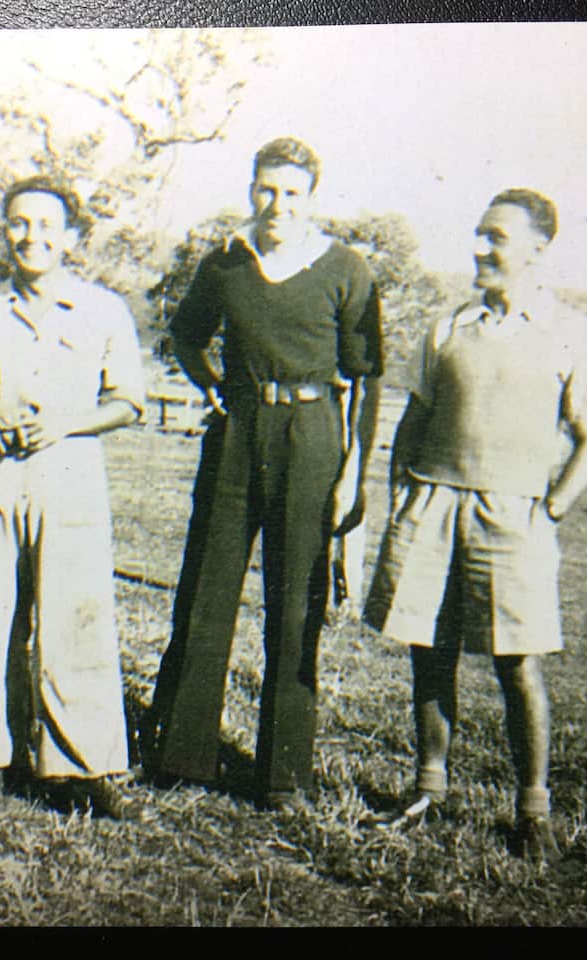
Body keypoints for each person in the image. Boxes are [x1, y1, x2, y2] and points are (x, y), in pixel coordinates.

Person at [363, 188, 587, 862]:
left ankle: (532, 810)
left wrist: (550, 508)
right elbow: (414, 422)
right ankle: (426, 790)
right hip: (433, 506)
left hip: (513, 517)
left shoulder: (571, 333)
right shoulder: (451, 326)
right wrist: (402, 504)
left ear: (537, 248)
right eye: (477, 233)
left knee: (517, 664)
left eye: (496, 237)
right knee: (428, 652)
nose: (480, 248)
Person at [142, 137, 383, 811]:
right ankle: (182, 758)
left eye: (292, 193)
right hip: (237, 432)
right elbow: (186, 335)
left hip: (312, 436)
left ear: (312, 198)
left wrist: (351, 475)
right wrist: (211, 384)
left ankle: (282, 776)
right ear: (252, 189)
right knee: (206, 591)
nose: (277, 205)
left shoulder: (344, 267)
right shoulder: (225, 262)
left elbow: (367, 382)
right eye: (266, 190)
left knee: (296, 601)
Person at [0, 173, 147, 819]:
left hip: (71, 482)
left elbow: (128, 401)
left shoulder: (103, 309)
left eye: (47, 225)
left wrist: (67, 421)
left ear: (71, 237)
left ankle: (82, 766)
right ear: (4, 231)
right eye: (20, 223)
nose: (33, 236)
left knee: (75, 621)